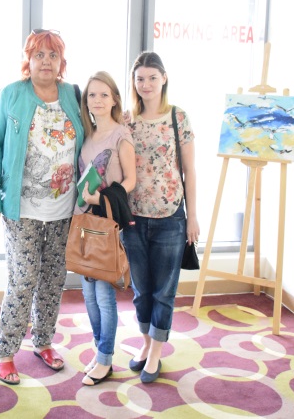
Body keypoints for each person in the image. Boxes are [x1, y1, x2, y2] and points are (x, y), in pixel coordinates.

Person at [0, 29, 84, 385]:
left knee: (54, 280)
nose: (46, 61)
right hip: (22, 209)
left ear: (61, 61)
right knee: (23, 280)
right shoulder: (11, 94)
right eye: (39, 54)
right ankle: (3, 352)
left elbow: (93, 138)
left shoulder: (73, 95)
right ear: (28, 59)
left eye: (52, 55)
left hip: (64, 210)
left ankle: (43, 342)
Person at [122, 51, 200, 384]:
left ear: (164, 78)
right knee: (141, 290)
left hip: (171, 217)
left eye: (153, 77)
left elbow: (190, 170)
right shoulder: (128, 120)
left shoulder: (178, 117)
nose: (146, 84)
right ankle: (145, 342)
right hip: (133, 217)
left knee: (164, 291)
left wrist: (192, 216)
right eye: (140, 79)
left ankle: (155, 351)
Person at [75, 71, 135, 386]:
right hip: (84, 222)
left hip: (108, 223)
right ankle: (101, 352)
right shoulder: (87, 136)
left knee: (103, 294)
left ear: (114, 100)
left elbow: (131, 180)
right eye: (91, 95)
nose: (97, 100)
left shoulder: (120, 134)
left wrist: (102, 197)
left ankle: (105, 359)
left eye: (103, 95)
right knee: (88, 293)